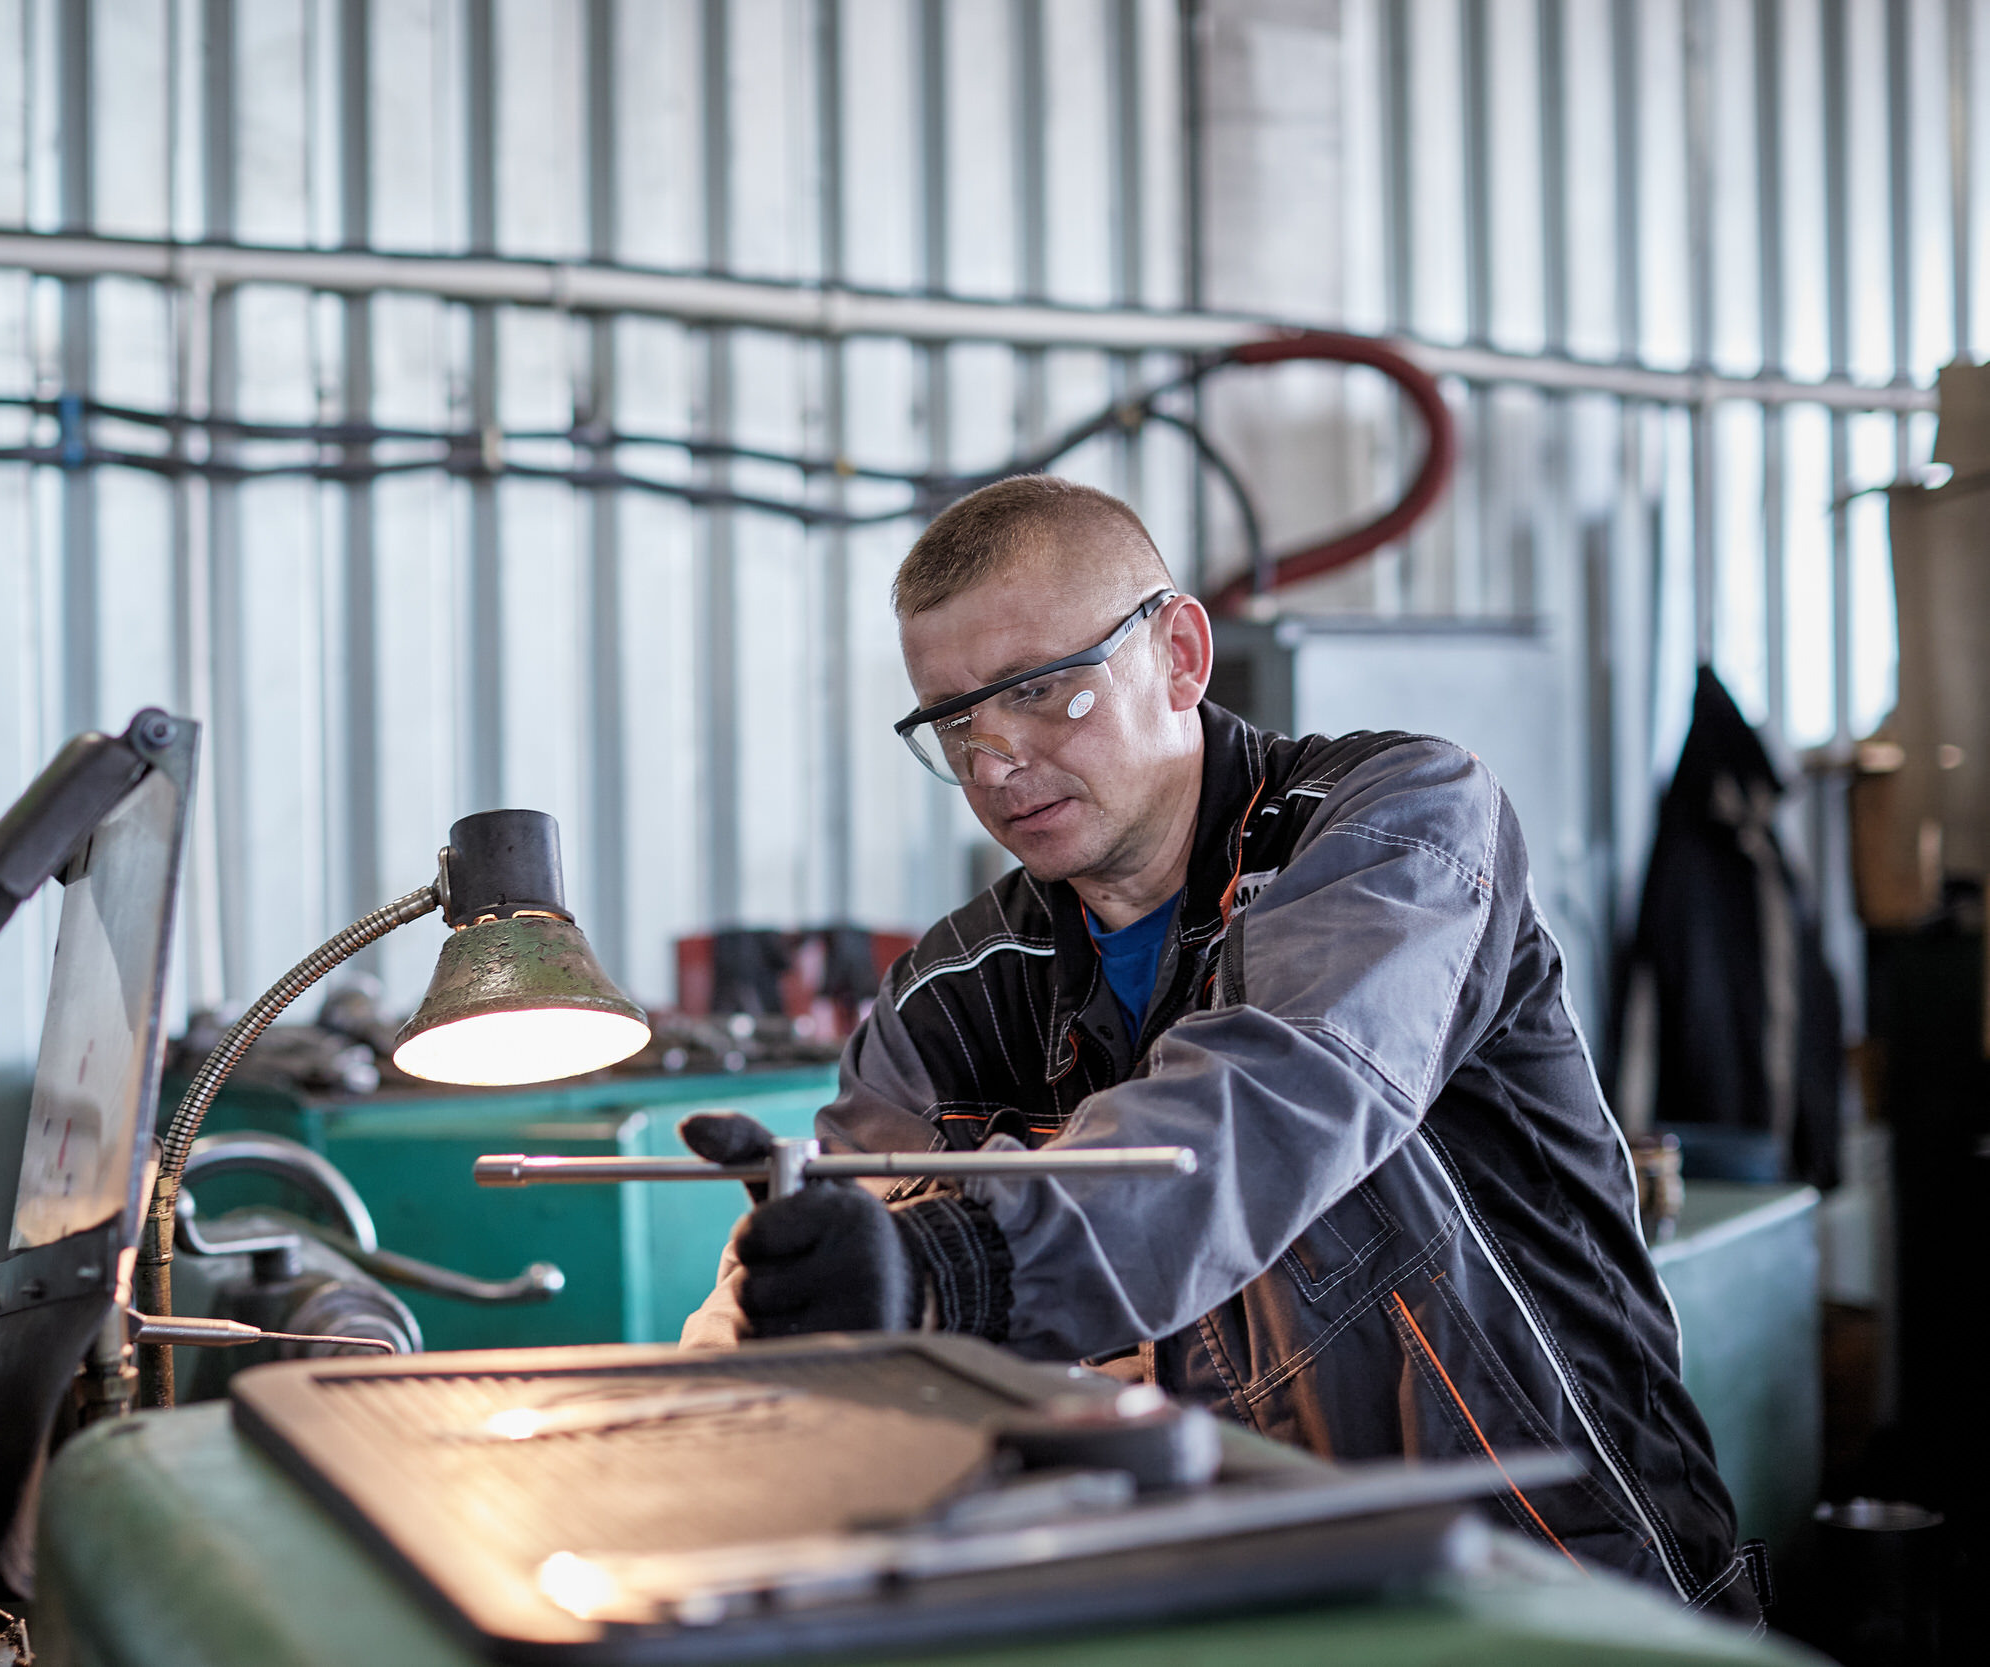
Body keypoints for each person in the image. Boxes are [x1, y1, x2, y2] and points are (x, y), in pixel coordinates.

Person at [680, 474, 1761, 1621]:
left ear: (1180, 655)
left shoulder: (1396, 826)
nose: (994, 763)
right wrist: (743, 1355)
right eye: (954, 720)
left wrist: (956, 1269)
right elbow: (831, 1253)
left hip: (1555, 1588)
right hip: (1252, 1592)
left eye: (1044, 691)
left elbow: (1265, 1105)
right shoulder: (953, 993)